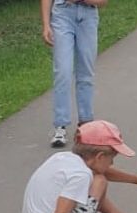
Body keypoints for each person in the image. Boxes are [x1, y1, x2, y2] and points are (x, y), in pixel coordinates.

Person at [41, 0, 108, 148]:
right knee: (62, 72)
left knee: (86, 72)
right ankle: (60, 125)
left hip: (88, 14)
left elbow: (103, 2)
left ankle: (86, 123)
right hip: (63, 13)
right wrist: (46, 24)